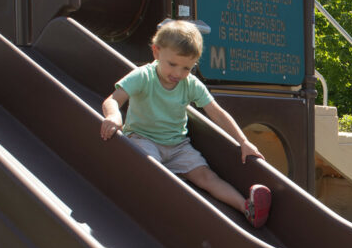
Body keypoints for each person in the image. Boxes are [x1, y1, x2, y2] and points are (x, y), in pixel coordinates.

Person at [100, 19, 272, 228]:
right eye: (172, 64)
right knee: (151, 167)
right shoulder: (144, 76)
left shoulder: (189, 84)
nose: (178, 73)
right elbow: (113, 99)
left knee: (206, 177)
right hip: (143, 139)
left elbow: (217, 113)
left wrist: (243, 141)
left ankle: (247, 207)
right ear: (156, 52)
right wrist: (113, 116)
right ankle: (168, 196)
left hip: (178, 146)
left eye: (186, 68)